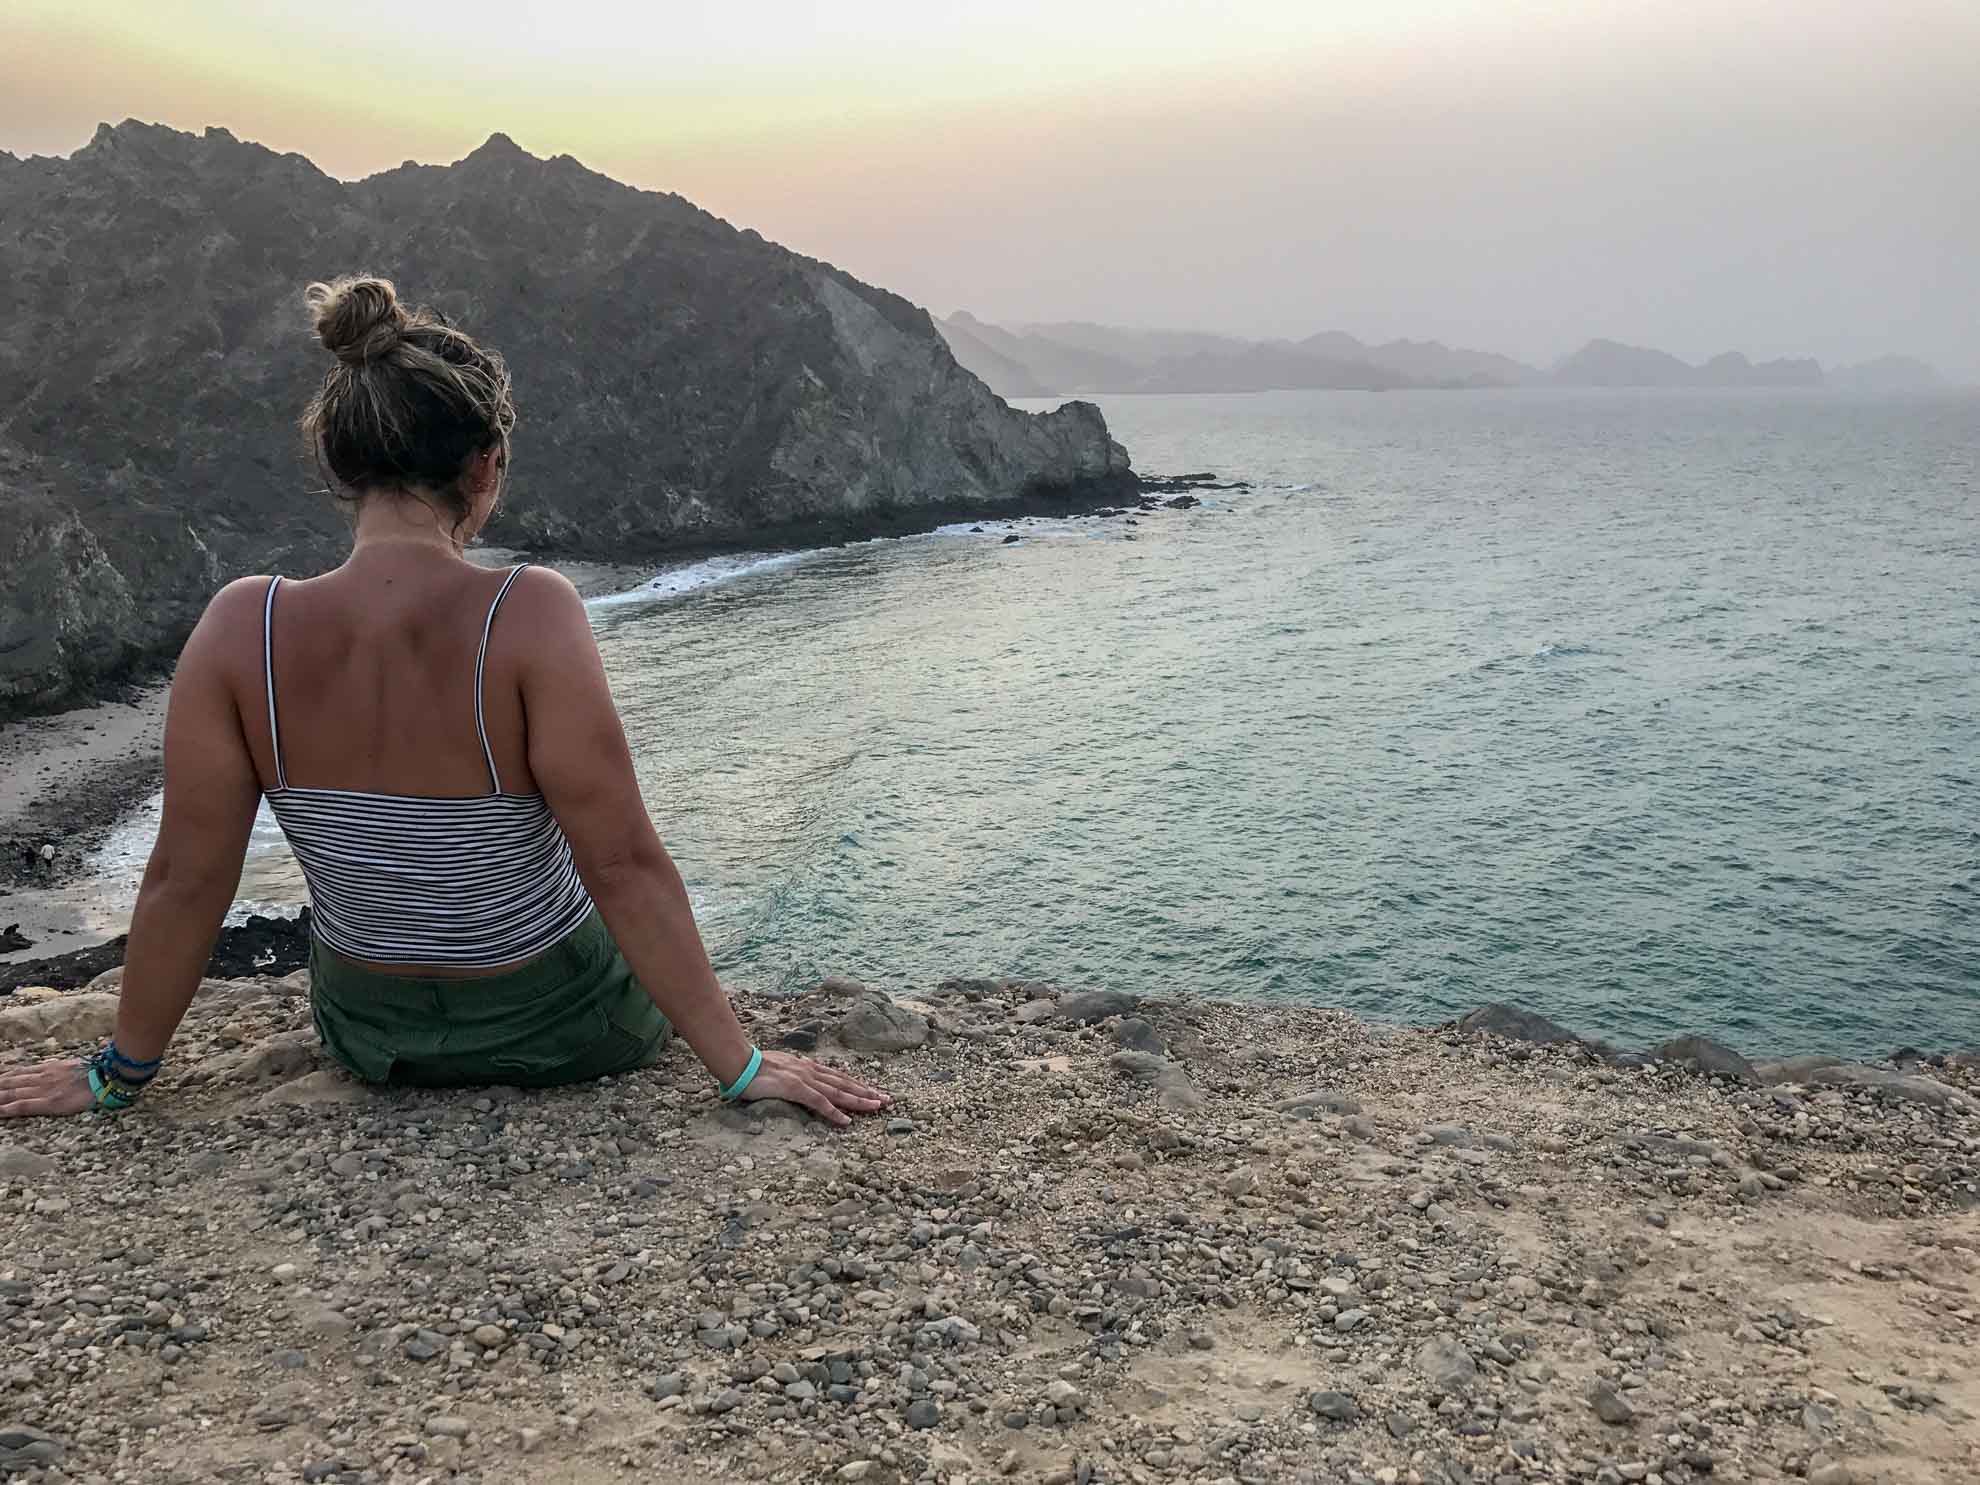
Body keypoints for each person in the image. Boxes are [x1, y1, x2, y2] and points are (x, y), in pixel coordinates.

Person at [0, 276, 887, 1125]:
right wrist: (739, 1063)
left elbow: (187, 879)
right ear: (486, 467)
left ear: (340, 464)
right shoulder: (530, 612)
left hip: (372, 1033)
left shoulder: (243, 627)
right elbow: (621, 864)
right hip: (564, 1024)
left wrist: (118, 1073)